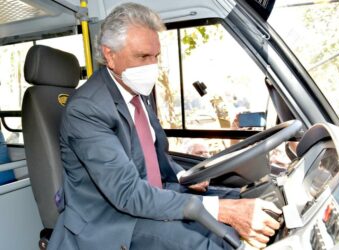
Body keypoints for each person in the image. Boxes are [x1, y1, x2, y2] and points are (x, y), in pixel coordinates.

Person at [48, 3, 281, 250]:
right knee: (208, 242)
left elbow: (150, 153)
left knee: (247, 198)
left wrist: (183, 175)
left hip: (148, 197)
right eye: (142, 56)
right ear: (110, 54)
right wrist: (224, 211)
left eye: (156, 56)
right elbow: (128, 193)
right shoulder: (86, 108)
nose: (152, 66)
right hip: (111, 220)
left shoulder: (136, 91)